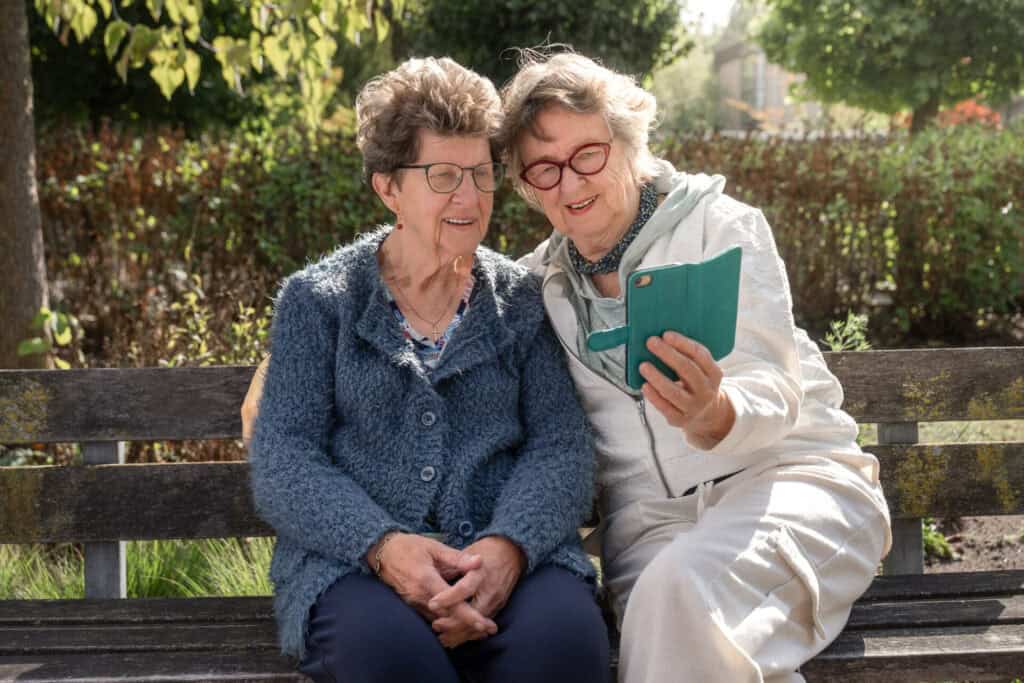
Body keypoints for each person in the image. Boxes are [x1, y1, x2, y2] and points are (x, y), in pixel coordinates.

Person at [496, 51, 891, 683]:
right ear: (526, 184)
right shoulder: (534, 288)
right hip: (649, 527)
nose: (570, 184)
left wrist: (715, 412)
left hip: (790, 486)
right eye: (544, 169)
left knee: (678, 592)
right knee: (677, 609)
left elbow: (775, 386)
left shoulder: (721, 228)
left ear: (629, 144)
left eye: (588, 154)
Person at [246, 56, 609, 683]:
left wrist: (508, 548)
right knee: (393, 660)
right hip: (357, 567)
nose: (469, 197)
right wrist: (383, 546)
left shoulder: (521, 301)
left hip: (511, 561)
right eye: (443, 176)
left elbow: (560, 446)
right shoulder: (319, 302)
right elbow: (284, 457)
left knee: (565, 647)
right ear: (389, 188)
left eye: (481, 174)